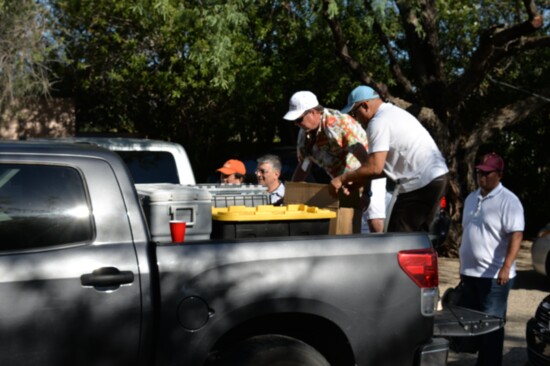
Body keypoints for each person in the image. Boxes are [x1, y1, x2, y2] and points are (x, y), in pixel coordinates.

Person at [331, 85, 449, 232]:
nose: (357, 120)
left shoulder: (378, 122)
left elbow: (374, 167)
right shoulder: (393, 113)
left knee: (397, 241)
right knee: (417, 241)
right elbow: (386, 168)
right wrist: (358, 181)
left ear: (365, 106)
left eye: (355, 114)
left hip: (420, 183)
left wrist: (342, 178)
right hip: (434, 178)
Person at [283, 90, 387, 232]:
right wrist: (289, 196)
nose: (297, 124)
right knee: (346, 223)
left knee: (373, 219)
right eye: (294, 121)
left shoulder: (338, 124)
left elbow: (367, 163)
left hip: (370, 173)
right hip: (343, 182)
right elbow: (304, 166)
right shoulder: (305, 134)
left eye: (299, 119)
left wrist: (367, 193)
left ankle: (381, 250)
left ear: (313, 112)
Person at [459, 152, 524, 366]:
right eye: (480, 172)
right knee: (475, 326)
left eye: (487, 173)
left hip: (494, 277)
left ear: (500, 175)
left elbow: (516, 234)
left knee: (492, 327)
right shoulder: (471, 198)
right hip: (470, 274)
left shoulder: (509, 201)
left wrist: (506, 267)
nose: (482, 177)